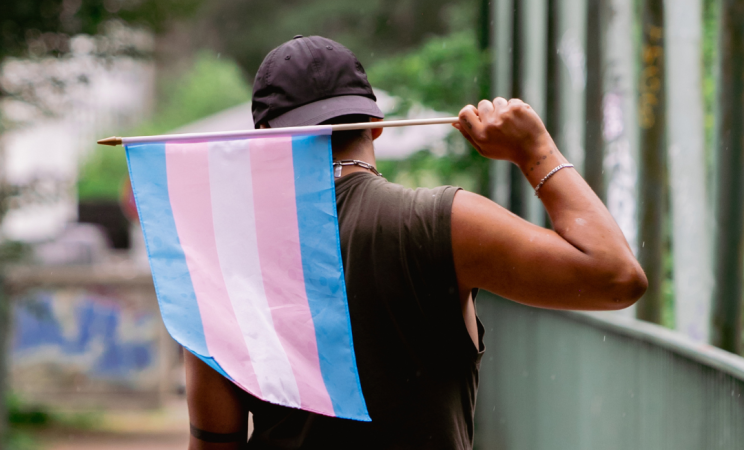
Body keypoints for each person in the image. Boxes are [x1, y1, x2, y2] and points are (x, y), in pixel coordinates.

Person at [183, 35, 647, 450]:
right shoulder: (444, 224)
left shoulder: (220, 265)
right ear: (376, 123)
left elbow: (214, 443)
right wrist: (536, 151)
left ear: (262, 140)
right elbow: (616, 279)